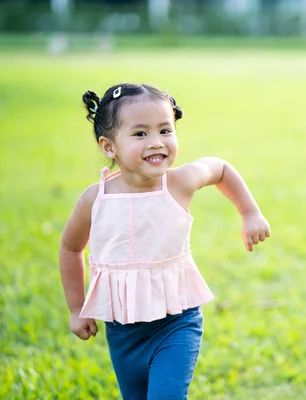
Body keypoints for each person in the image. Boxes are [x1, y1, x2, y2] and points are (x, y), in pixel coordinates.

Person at [59, 83, 271, 400]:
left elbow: (220, 168)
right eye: (140, 134)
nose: (156, 143)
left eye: (165, 130)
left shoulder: (178, 183)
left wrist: (250, 213)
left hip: (177, 321)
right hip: (122, 330)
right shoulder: (96, 198)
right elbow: (70, 247)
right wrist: (77, 308)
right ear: (109, 146)